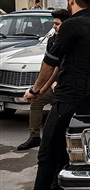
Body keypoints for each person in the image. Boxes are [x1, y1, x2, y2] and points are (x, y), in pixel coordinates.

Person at [0, 0, 90, 190]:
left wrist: (35, 90)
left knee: (47, 155)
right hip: (85, 99)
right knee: (63, 155)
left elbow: (50, 62)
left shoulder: (72, 25)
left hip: (67, 100)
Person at [16, 9, 70, 151]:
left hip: (67, 84)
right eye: (54, 24)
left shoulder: (71, 41)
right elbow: (49, 65)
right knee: (36, 102)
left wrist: (54, 83)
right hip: (53, 83)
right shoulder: (52, 39)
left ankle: (60, 141)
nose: (54, 27)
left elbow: (63, 66)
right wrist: (46, 85)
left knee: (58, 110)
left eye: (57, 24)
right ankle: (34, 137)